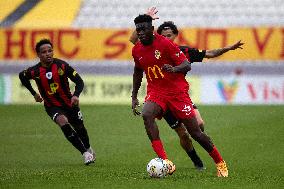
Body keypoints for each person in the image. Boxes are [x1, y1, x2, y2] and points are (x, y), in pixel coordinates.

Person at [129, 7, 244, 170]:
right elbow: (137, 70)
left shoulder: (169, 46)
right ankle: (166, 162)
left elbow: (189, 63)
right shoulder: (138, 49)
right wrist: (134, 96)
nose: (140, 32)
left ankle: (220, 162)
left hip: (177, 94)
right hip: (157, 93)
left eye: (143, 29)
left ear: (152, 30)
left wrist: (174, 69)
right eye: (138, 29)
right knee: (147, 115)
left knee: (196, 132)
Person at [19, 39, 95, 165]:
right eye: (44, 52)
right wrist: (34, 93)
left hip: (70, 104)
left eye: (50, 51)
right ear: (38, 55)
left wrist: (76, 95)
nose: (48, 54)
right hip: (52, 106)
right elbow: (22, 76)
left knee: (80, 128)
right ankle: (85, 153)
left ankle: (88, 148)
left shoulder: (62, 66)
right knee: (62, 121)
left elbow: (79, 82)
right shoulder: (35, 71)